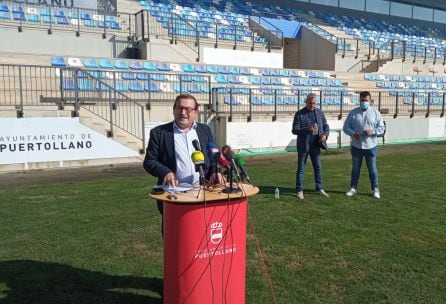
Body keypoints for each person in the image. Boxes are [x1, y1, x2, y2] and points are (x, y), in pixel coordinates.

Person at [143, 94, 220, 226]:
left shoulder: (205, 130)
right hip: (174, 196)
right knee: (176, 239)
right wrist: (165, 172)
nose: (183, 112)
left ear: (196, 112)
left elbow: (213, 156)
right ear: (174, 110)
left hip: (203, 194)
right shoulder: (159, 133)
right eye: (179, 108)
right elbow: (149, 161)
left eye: (188, 109)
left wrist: (214, 171)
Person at [343, 91, 385, 199]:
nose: (364, 102)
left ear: (370, 100)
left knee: (372, 169)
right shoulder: (353, 113)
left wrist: (373, 132)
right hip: (357, 146)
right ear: (359, 100)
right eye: (362, 100)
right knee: (355, 169)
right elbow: (346, 127)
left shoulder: (376, 113)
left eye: (366, 100)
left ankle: (375, 189)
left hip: (371, 146)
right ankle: (353, 188)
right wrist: (353, 133)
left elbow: (381, 128)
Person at [292, 93, 330, 200]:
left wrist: (325, 135)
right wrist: (307, 129)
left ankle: (319, 188)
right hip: (304, 146)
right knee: (301, 169)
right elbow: (295, 130)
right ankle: (299, 190)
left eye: (314, 103)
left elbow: (326, 126)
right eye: (310, 103)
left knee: (318, 168)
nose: (313, 105)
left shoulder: (319, 112)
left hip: (316, 145)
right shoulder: (299, 114)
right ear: (306, 102)